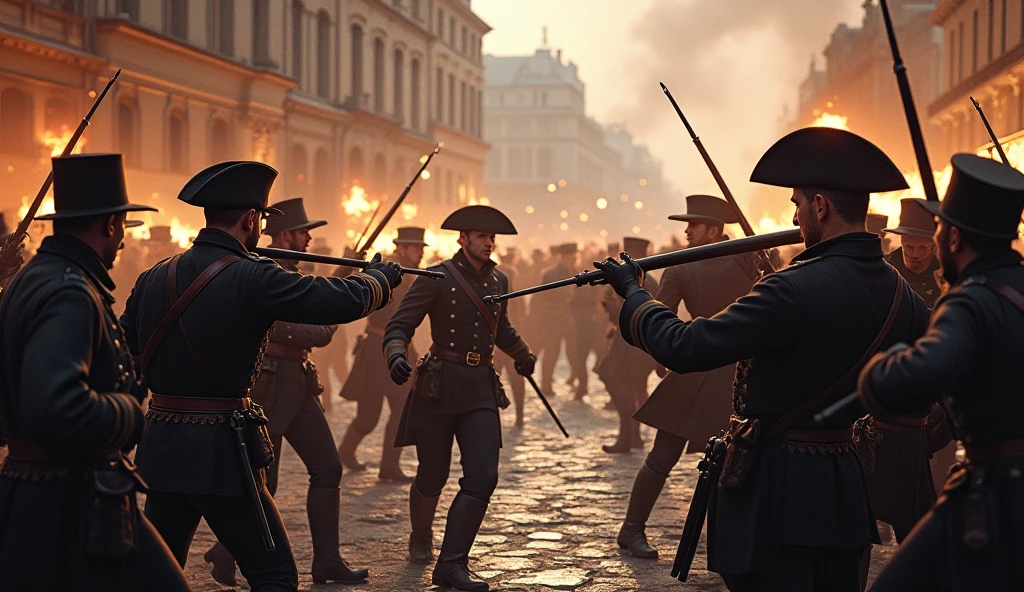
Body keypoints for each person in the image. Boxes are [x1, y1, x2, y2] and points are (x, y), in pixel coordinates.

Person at [595, 127, 932, 591]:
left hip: (779, 487)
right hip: (844, 486)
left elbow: (683, 346)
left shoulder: (790, 287)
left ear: (820, 206)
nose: (794, 216)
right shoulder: (903, 295)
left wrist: (633, 292)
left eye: (797, 204)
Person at [121, 161, 403, 591]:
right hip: (219, 447)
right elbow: (335, 302)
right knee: (274, 576)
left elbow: (125, 349)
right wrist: (378, 281)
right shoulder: (253, 275)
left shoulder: (153, 275)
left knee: (159, 576)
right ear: (251, 219)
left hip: (162, 442)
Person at [0, 153, 191, 591]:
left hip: (50, 491)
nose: (123, 239)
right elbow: (57, 405)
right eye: (121, 226)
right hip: (67, 497)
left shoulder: (35, 278)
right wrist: (130, 414)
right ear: (108, 224)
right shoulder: (69, 290)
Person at [859, 154, 1024, 592]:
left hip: (996, 491)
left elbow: (912, 380)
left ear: (952, 237)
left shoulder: (968, 301)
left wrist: (879, 369)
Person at [202, 197, 368, 586]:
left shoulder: (290, 269)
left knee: (327, 468)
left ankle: (326, 561)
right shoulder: (265, 272)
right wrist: (327, 322)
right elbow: (300, 327)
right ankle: (227, 551)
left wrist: (342, 281)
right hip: (270, 383)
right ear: (285, 235)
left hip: (296, 380)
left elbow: (318, 302)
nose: (309, 237)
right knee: (263, 480)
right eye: (303, 231)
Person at [384, 205, 536, 591]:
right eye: (482, 236)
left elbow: (501, 328)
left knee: (484, 476)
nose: (489, 242)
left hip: (480, 386)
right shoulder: (435, 276)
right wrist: (396, 354)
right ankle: (420, 536)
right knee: (432, 474)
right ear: (463, 238)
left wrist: (522, 354)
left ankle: (452, 564)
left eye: (492, 237)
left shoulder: (500, 280)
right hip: (438, 386)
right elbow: (400, 323)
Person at [616, 195, 757, 557]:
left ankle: (730, 542)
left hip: (739, 372)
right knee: (663, 457)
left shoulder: (751, 258)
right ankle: (632, 530)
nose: (686, 232)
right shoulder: (703, 264)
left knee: (734, 462)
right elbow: (660, 316)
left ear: (713, 230)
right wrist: (666, 353)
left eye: (693, 226)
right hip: (697, 367)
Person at [337, 226, 427, 480]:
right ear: (402, 248)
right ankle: (345, 451)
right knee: (368, 417)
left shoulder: (408, 274)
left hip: (398, 347)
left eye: (421, 248)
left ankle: (389, 466)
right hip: (378, 350)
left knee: (401, 409)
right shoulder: (389, 271)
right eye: (416, 248)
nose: (420, 253)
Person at [596, 237, 659, 453]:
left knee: (615, 380)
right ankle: (633, 436)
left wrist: (609, 307)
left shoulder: (642, 281)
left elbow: (631, 313)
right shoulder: (644, 278)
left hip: (633, 346)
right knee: (633, 388)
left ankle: (628, 436)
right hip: (635, 343)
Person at [533, 243, 577, 394]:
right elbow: (540, 299)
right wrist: (541, 323)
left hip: (571, 319)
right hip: (554, 319)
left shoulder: (576, 272)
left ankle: (576, 378)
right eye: (572, 256)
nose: (574, 259)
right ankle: (546, 385)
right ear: (563, 256)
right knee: (552, 353)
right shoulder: (550, 274)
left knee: (574, 352)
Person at [494, 248, 528, 427]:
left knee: (515, 381)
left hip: (509, 344)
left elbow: (521, 319)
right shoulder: (495, 295)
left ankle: (520, 414)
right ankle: (515, 415)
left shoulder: (515, 296)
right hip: (499, 346)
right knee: (495, 381)